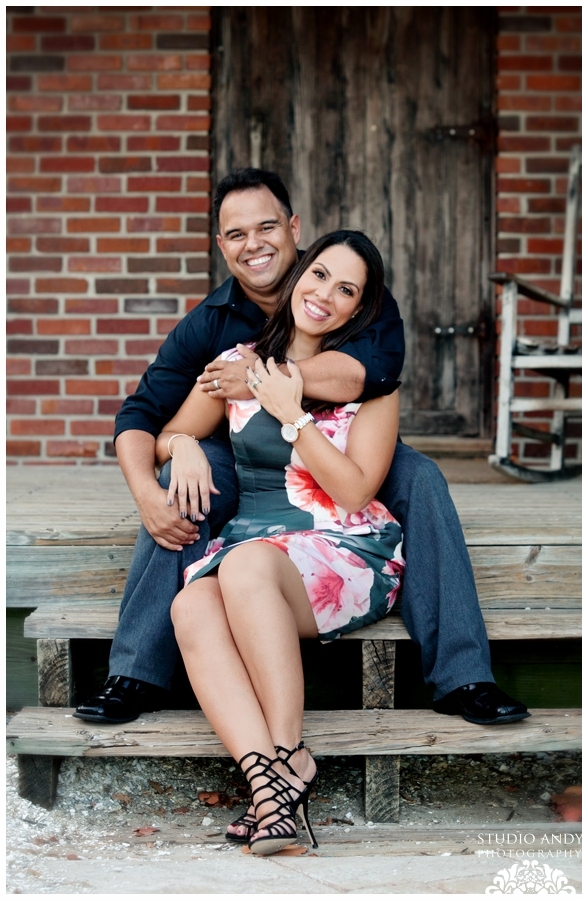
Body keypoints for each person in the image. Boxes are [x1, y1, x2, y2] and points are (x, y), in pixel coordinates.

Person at [74, 167, 528, 729]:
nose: (254, 244)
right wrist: (153, 482)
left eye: (266, 227)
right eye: (236, 234)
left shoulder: (347, 282)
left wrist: (263, 377)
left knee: (421, 477)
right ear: (221, 245)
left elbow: (371, 374)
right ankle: (138, 671)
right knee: (178, 482)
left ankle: (463, 676)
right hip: (247, 461)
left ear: (293, 228)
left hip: (342, 447)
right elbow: (142, 415)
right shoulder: (210, 323)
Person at [161, 230, 404, 854]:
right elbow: (169, 432)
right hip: (256, 544)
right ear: (299, 275)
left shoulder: (372, 383)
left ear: (358, 308)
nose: (325, 295)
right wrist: (185, 446)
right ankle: (268, 787)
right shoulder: (237, 363)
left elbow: (354, 491)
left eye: (346, 289)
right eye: (319, 275)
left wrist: (292, 413)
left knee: (244, 568)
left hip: (345, 547)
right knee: (191, 604)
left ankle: (290, 755)